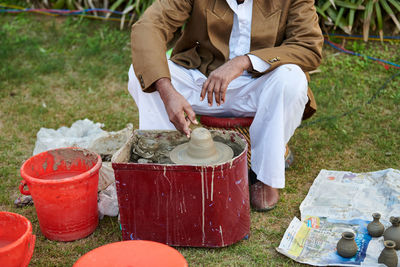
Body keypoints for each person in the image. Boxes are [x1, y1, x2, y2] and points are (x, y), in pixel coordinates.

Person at [128, 0, 324, 211]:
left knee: (292, 78)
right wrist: (167, 91)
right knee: (140, 73)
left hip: (259, 84)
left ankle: (266, 177)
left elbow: (308, 47)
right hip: (201, 82)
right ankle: (163, 167)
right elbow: (148, 26)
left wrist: (243, 62)